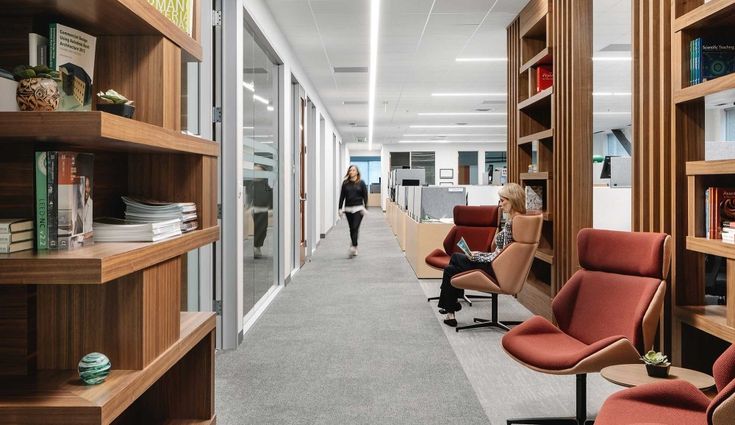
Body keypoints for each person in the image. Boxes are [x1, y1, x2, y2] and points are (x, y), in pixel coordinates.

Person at [437, 182, 526, 327]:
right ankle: (450, 312)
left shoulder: (512, 224)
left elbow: (501, 256)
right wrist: (480, 254)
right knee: (450, 270)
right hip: (501, 267)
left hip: (496, 269)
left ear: (513, 199)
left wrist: (478, 256)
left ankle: (450, 306)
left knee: (455, 258)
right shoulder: (520, 221)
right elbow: (504, 254)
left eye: (503, 200)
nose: (500, 205)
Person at [338, 165, 368, 258]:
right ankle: (354, 245)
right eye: (350, 170)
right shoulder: (345, 183)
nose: (351, 171)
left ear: (357, 172)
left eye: (353, 170)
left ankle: (354, 246)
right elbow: (342, 196)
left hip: (358, 209)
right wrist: (339, 208)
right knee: (352, 228)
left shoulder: (361, 183)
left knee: (355, 227)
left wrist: (365, 208)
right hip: (348, 209)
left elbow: (365, 196)